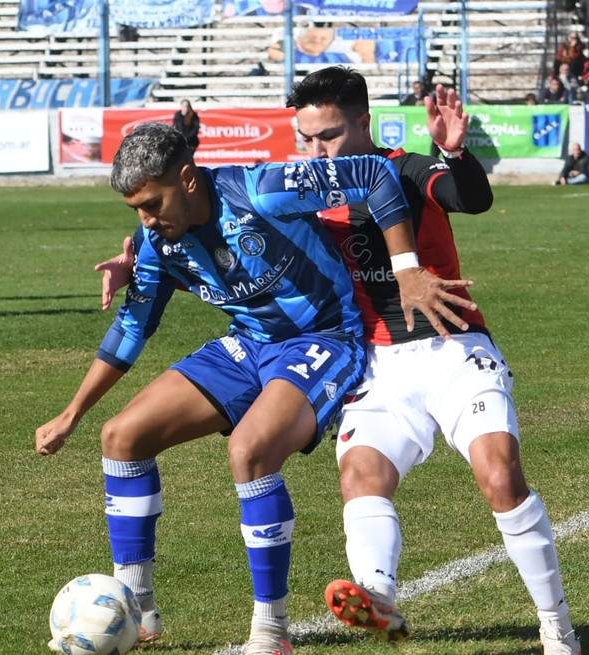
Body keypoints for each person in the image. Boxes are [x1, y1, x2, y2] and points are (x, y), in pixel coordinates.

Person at [94, 69, 582, 655]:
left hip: (452, 347)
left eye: (329, 136)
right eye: (307, 138)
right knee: (360, 477)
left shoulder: (403, 168)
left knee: (500, 476)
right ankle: (378, 596)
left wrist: (454, 155)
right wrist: (146, 262)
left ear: (363, 123)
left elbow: (469, 199)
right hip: (376, 364)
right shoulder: (307, 189)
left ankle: (556, 626)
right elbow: (223, 242)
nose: (317, 151)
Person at [36, 120, 418, 655]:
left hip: (324, 338)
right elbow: (132, 327)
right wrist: (72, 412)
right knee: (121, 438)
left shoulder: (261, 189)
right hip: (249, 344)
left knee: (249, 451)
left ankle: (271, 630)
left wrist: (407, 270)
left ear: (188, 180)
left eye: (153, 204)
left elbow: (374, 174)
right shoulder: (157, 242)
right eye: (136, 211)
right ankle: (138, 611)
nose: (147, 220)